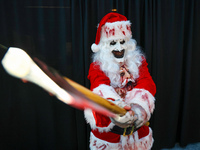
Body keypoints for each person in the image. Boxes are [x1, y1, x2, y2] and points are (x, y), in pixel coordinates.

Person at [84, 12, 156, 150]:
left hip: (136, 129)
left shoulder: (138, 61)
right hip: (109, 133)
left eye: (122, 42)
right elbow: (99, 86)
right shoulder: (96, 66)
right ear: (104, 46)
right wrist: (116, 109)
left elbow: (146, 81)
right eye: (113, 43)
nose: (119, 48)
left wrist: (138, 107)